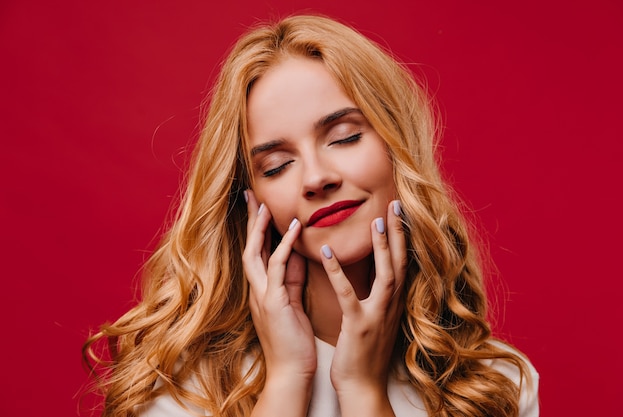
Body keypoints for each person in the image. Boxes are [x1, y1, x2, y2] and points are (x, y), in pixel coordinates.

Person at [83, 14, 539, 417]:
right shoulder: (182, 387)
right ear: (250, 200)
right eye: (276, 165)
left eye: (343, 137)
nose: (316, 177)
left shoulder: (496, 386)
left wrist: (363, 391)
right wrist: (286, 380)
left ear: (397, 146)